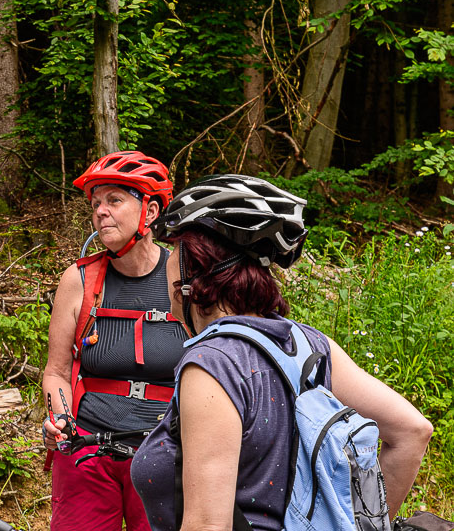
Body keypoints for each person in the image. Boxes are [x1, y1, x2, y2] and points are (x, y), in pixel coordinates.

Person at [131, 174, 434, 531]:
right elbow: (413, 431)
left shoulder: (212, 363)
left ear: (192, 271)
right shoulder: (310, 345)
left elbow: (208, 525)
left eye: (175, 251)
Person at [41, 151, 188, 531]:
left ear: (151, 212)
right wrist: (59, 418)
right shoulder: (79, 280)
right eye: (95, 204)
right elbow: (56, 371)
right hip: (87, 451)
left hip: (165, 452)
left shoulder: (184, 280)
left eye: (114, 200)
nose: (100, 212)